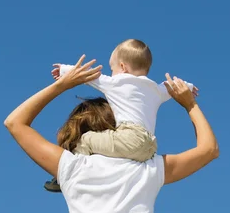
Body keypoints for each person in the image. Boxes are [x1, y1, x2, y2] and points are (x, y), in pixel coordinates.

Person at [4, 55, 219, 213]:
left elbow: (15, 122)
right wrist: (189, 104)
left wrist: (63, 84)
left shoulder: (71, 167)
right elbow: (209, 150)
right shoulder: (147, 168)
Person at [45, 38, 197, 192]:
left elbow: (88, 75)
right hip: (150, 147)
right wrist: (189, 87)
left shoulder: (116, 83)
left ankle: (66, 175)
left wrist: (63, 70)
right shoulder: (156, 90)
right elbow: (173, 85)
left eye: (112, 69)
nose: (111, 74)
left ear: (123, 67)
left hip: (129, 137)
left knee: (83, 140)